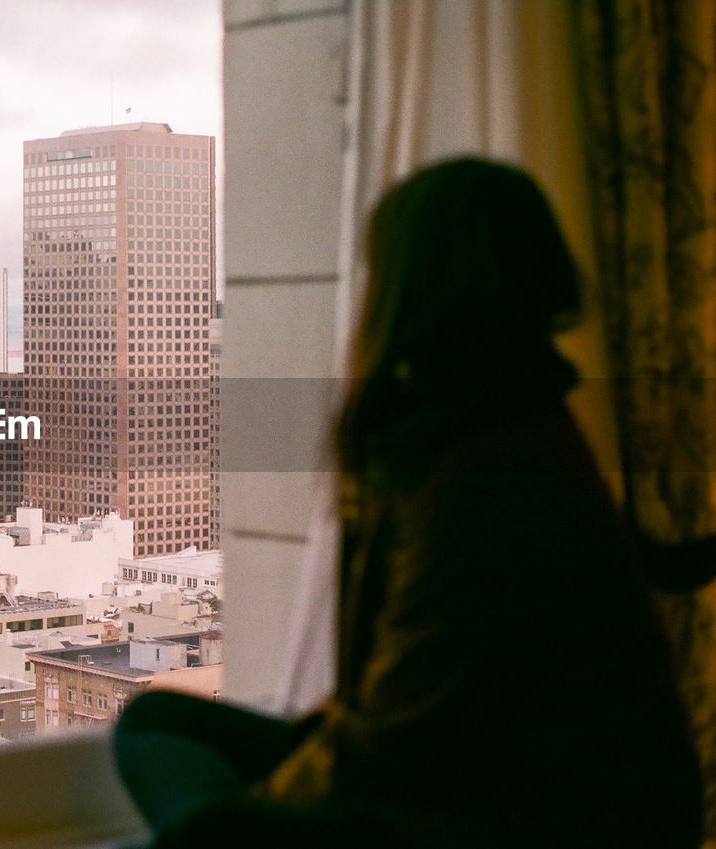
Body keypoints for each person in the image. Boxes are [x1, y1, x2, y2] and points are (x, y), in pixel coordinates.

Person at [114, 158, 704, 848]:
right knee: (159, 727)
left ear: (411, 286)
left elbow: (395, 737)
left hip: (535, 813)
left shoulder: (485, 466)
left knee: (192, 791)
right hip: (481, 774)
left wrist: (270, 814)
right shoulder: (517, 414)